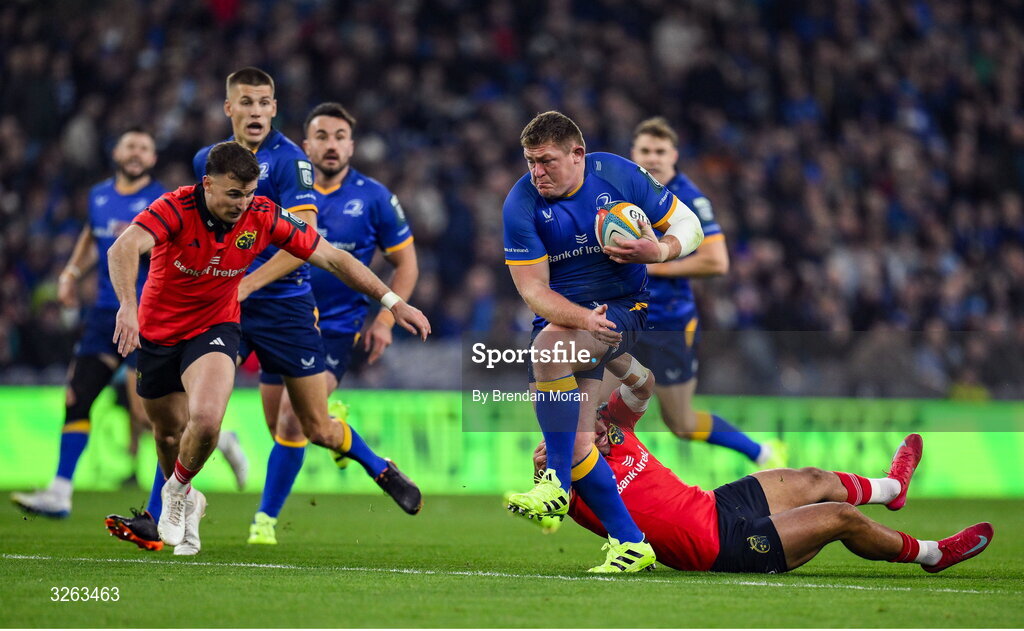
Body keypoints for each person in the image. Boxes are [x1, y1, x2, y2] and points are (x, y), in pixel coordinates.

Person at [106, 141, 430, 556]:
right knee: (168, 434)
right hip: (158, 333)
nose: (242, 203)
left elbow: (333, 258)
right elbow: (123, 247)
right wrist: (128, 308)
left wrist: (392, 302)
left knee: (206, 421)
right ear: (206, 185)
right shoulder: (175, 207)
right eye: (232, 194)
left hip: (215, 328)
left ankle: (176, 497)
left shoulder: (263, 215)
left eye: (249, 193)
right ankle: (188, 498)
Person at [502, 111, 704, 572]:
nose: (537, 172)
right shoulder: (521, 203)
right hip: (567, 318)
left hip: (622, 310)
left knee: (549, 352)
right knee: (577, 445)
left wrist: (661, 251)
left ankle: (553, 485)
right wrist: (579, 320)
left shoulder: (616, 173)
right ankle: (631, 543)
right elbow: (533, 291)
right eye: (531, 161)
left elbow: (690, 226)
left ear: (578, 154)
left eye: (547, 161)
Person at [11, 129, 248, 523]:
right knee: (77, 396)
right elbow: (93, 234)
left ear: (153, 158)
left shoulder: (168, 201)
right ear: (116, 151)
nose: (136, 153)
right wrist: (71, 271)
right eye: (130, 145)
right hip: (107, 314)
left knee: (154, 417)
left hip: (155, 318)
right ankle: (60, 491)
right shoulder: (98, 196)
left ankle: (208, 450)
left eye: (144, 147)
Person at [528, 395, 993, 574]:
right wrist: (544, 474)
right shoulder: (569, 476)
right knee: (839, 518)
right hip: (721, 548)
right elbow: (555, 505)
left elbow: (641, 385)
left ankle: (892, 487)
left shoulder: (614, 426)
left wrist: (615, 352)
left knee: (813, 478)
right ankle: (932, 554)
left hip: (715, 505)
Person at [245, 102, 421, 544]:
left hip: (337, 328)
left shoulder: (375, 198)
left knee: (291, 421)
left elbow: (407, 266)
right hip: (283, 316)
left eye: (339, 137)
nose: (331, 145)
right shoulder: (283, 187)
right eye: (321, 136)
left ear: (352, 146)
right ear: (305, 146)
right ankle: (344, 436)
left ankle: (264, 522)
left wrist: (383, 318)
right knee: (293, 427)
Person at [599, 117, 785, 468]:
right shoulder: (618, 191)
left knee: (681, 423)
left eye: (660, 151)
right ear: (632, 155)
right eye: (645, 151)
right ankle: (564, 487)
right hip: (623, 316)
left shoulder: (690, 199)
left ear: (674, 155)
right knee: (592, 404)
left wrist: (654, 263)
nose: (652, 159)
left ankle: (761, 452)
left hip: (669, 320)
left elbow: (716, 261)